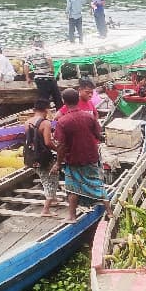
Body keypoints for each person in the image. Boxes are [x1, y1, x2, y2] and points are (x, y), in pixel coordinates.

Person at [55, 88, 104, 221]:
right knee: (96, 182)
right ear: (78, 99)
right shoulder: (89, 116)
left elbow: (61, 146)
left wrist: (58, 164)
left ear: (64, 102)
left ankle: (72, 216)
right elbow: (98, 135)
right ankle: (108, 210)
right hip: (91, 156)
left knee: (72, 188)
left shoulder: (62, 122)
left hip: (73, 160)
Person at [24, 99, 59, 215]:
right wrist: (58, 149)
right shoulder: (45, 123)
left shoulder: (27, 122)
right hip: (43, 157)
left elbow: (31, 140)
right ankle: (46, 209)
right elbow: (48, 142)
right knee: (52, 179)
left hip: (31, 157)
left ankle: (53, 200)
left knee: (45, 178)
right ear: (46, 109)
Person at [24, 36, 62, 107]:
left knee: (43, 99)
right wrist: (52, 70)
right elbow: (49, 60)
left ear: (34, 44)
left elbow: (26, 66)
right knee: (57, 98)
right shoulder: (44, 51)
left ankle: (44, 113)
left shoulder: (29, 54)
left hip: (39, 79)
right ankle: (59, 112)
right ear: (42, 44)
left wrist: (27, 77)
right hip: (49, 78)